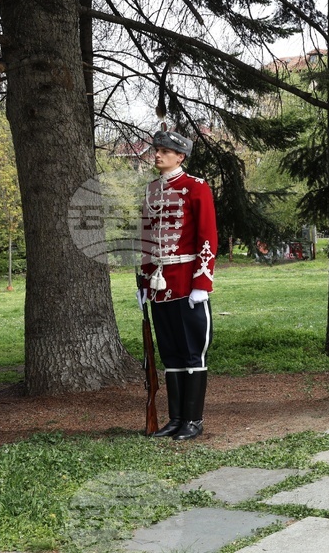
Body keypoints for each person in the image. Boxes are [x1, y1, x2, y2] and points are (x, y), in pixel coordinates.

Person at [139, 129, 217, 441]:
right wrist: (144, 281)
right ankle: (175, 419)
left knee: (192, 352)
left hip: (186, 282)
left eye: (164, 151)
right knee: (170, 353)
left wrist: (202, 281)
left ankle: (193, 421)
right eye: (156, 149)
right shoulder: (150, 191)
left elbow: (207, 236)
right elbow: (145, 239)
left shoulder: (195, 188)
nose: (157, 155)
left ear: (180, 156)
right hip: (159, 286)